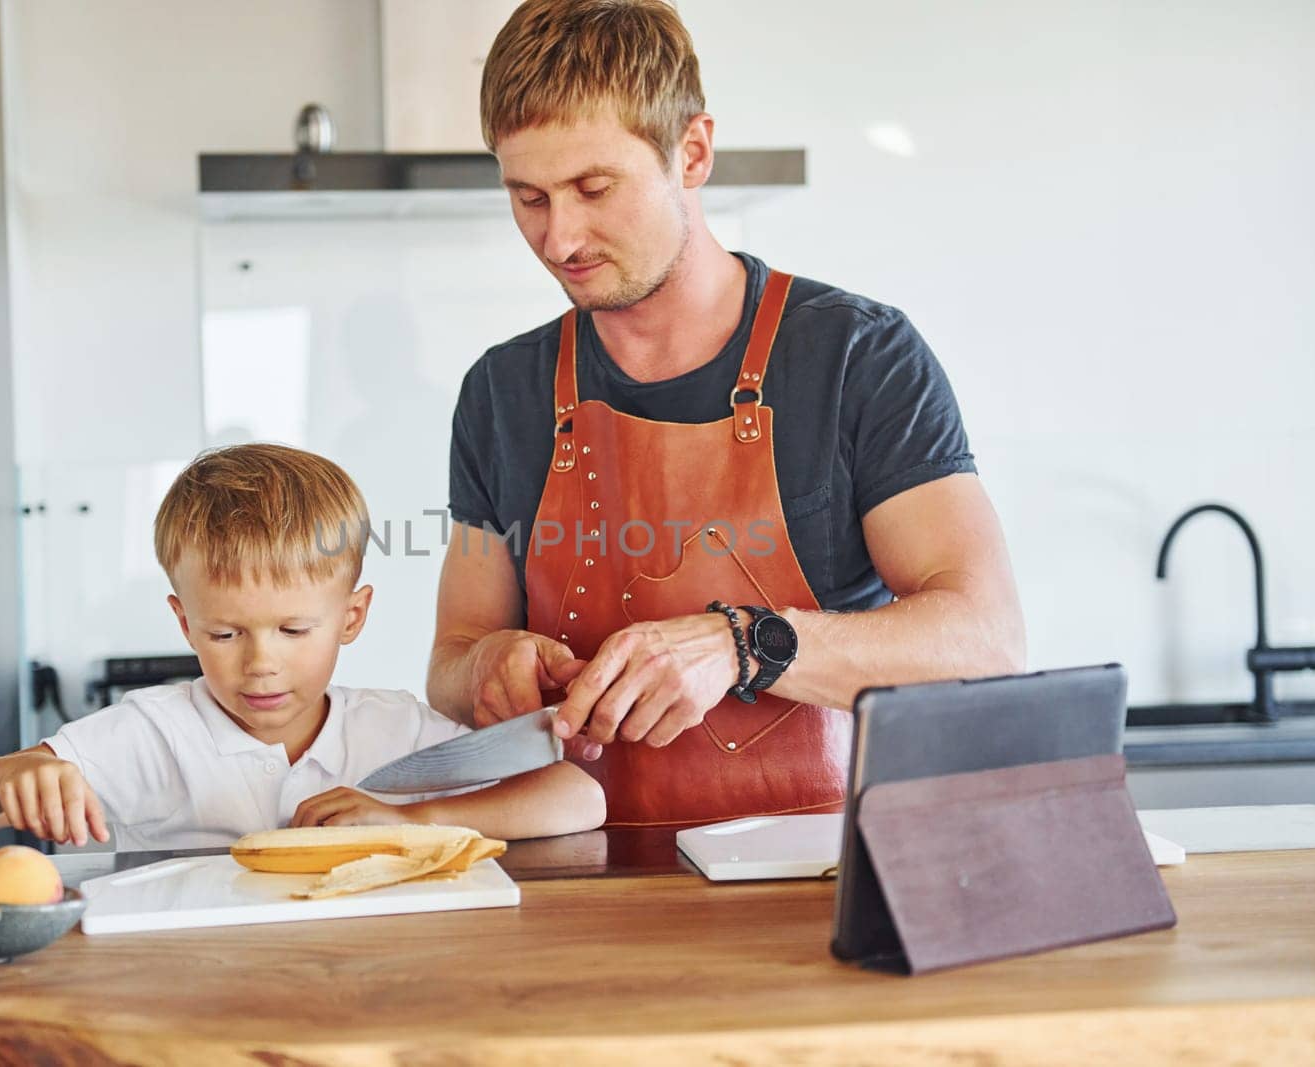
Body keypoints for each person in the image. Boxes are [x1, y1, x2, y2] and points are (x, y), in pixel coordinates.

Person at [427, 0, 1025, 827]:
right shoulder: (501, 391)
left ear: (694, 152)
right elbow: (452, 661)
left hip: (817, 880)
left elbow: (986, 643)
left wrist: (742, 643)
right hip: (573, 898)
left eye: (593, 188)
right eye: (529, 197)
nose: (560, 238)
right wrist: (492, 664)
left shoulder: (857, 356)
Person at [0, 444, 605, 850]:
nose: (261, 662)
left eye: (293, 630)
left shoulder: (393, 730)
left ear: (352, 616)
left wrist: (415, 820)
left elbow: (580, 798)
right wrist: (12, 779)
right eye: (224, 633)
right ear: (183, 625)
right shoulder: (152, 735)